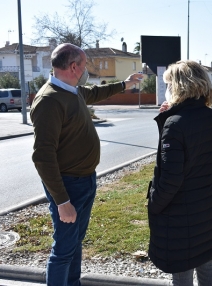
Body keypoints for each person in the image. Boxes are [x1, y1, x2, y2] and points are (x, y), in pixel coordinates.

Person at [30, 43, 143, 286]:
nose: (86, 71)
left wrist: (126, 84)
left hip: (84, 181)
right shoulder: (49, 101)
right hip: (68, 186)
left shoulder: (72, 90)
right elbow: (42, 156)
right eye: (84, 66)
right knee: (63, 250)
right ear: (73, 67)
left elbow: (95, 93)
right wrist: (62, 201)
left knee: (74, 243)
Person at [147, 60, 212, 286]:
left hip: (181, 213)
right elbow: (191, 154)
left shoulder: (175, 124)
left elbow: (171, 177)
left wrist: (153, 205)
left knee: (182, 270)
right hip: (207, 205)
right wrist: (167, 119)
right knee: (205, 261)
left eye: (168, 84)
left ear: (179, 86)